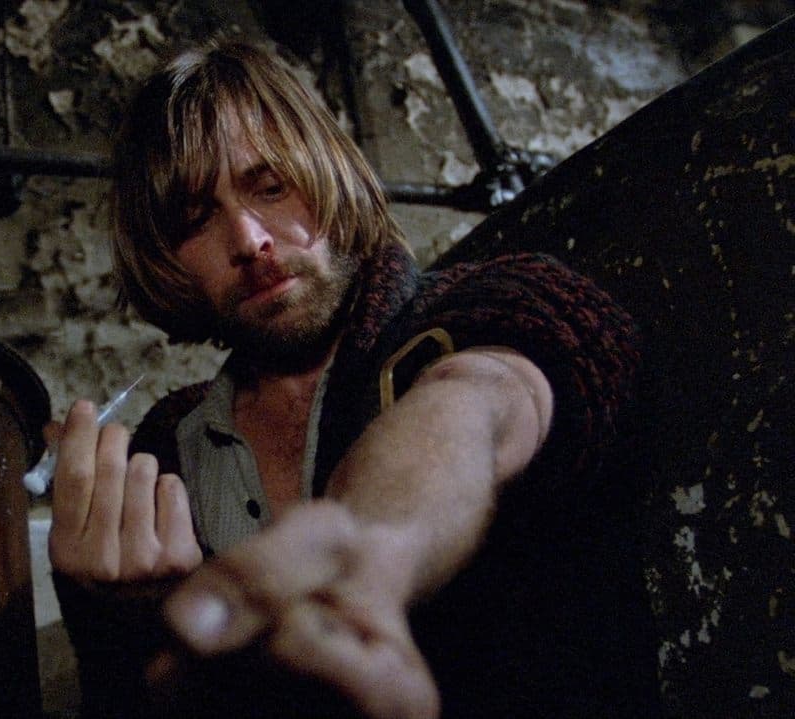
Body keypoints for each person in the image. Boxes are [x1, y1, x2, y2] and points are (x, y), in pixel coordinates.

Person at [48, 39, 661, 719]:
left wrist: (374, 547)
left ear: (326, 170)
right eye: (197, 219)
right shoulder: (165, 446)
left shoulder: (489, 306)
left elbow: (480, 397)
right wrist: (125, 617)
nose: (249, 239)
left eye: (270, 186)